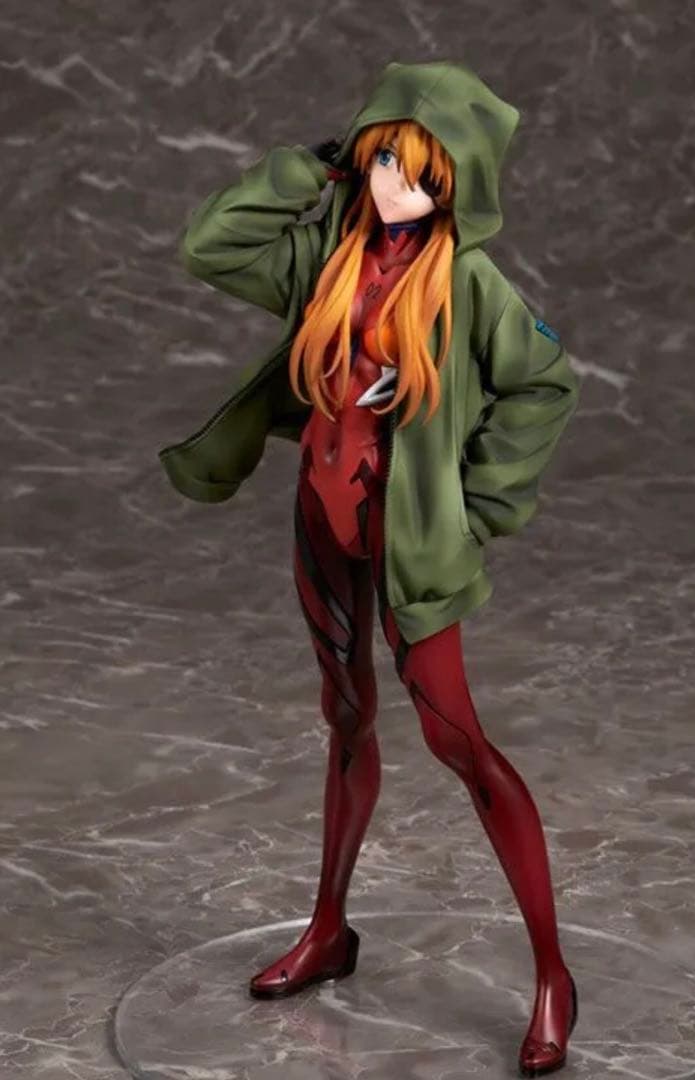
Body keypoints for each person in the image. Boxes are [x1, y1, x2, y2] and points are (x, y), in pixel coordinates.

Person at [159, 60, 581, 1078]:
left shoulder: (469, 284)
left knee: (457, 741)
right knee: (344, 720)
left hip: (410, 539)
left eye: (422, 175)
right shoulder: (328, 256)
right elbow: (211, 245)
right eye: (384, 160)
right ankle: (329, 929)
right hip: (321, 518)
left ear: (455, 188)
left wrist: (481, 505)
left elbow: (544, 382)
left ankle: (552, 976)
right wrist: (306, 169)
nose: (396, 187)